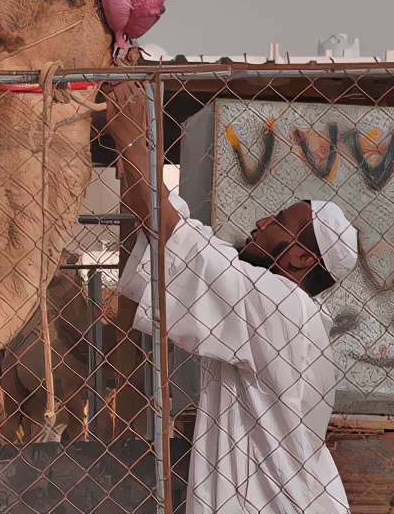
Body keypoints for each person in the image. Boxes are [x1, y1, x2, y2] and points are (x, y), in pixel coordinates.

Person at [101, 81, 358, 514]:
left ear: (298, 256)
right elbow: (168, 229)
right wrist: (134, 142)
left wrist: (132, 139)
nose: (261, 221)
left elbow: (175, 236)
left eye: (279, 220)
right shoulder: (274, 300)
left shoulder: (282, 309)